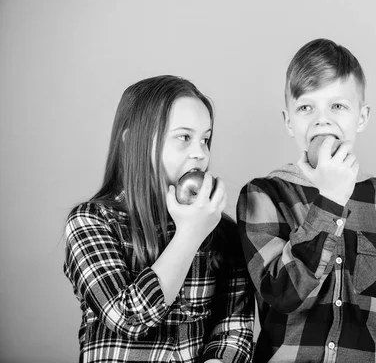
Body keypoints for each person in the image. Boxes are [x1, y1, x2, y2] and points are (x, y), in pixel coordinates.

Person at [237, 38, 376, 362]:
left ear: (361, 117)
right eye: (307, 107)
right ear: (289, 120)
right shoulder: (263, 195)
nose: (322, 119)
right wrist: (330, 200)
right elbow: (283, 293)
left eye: (338, 106)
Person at [63, 75, 254, 363]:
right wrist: (189, 236)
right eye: (184, 137)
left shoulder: (222, 230)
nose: (200, 153)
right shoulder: (91, 222)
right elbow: (127, 318)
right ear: (133, 143)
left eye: (205, 139)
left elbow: (233, 330)